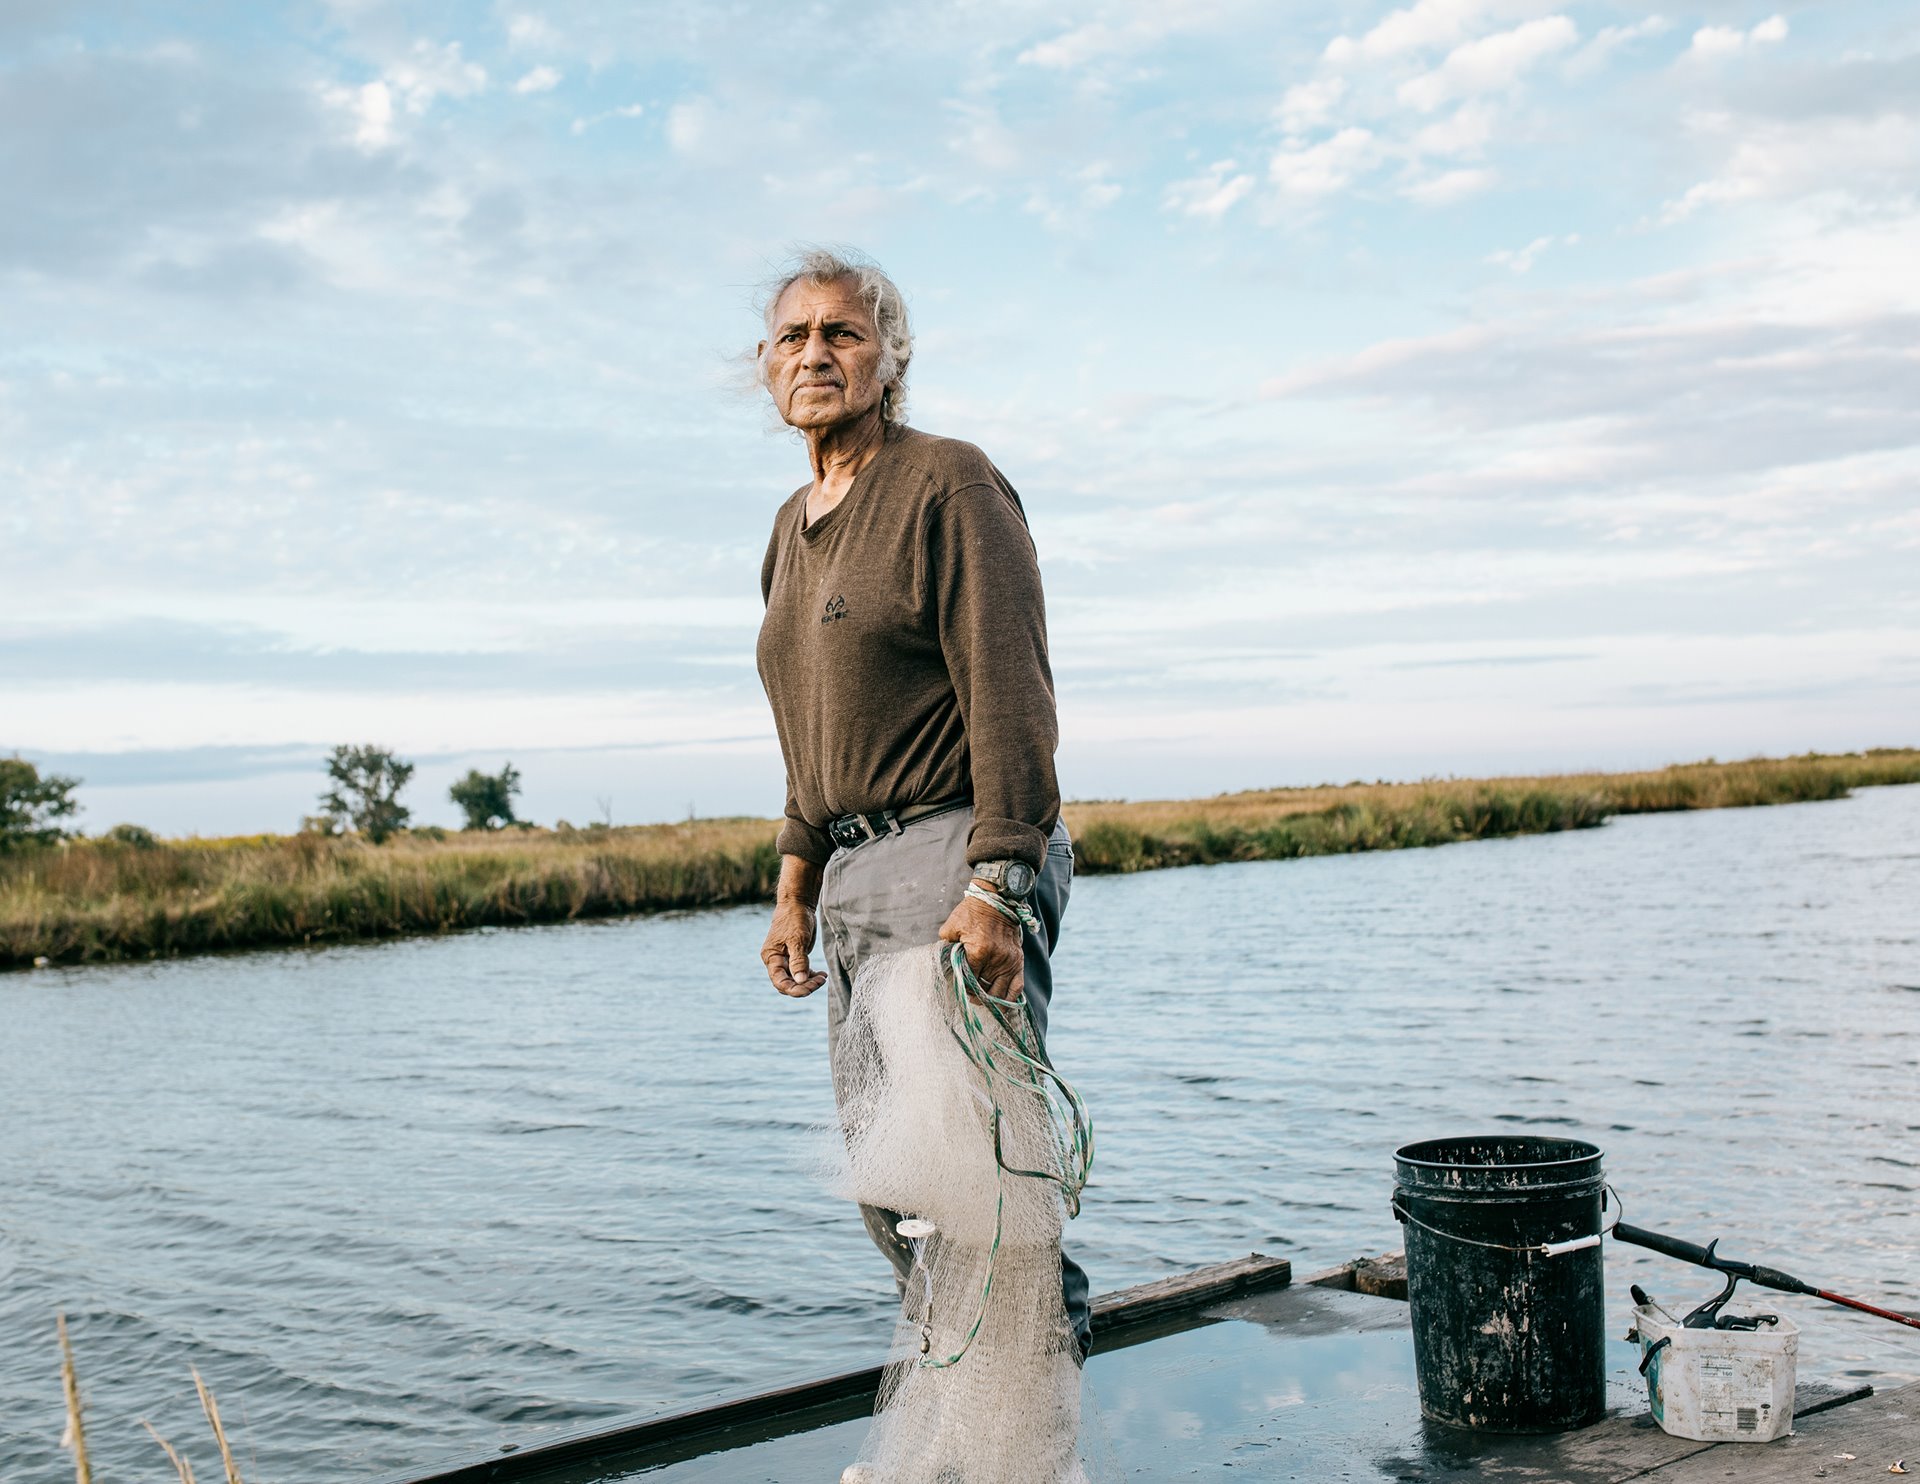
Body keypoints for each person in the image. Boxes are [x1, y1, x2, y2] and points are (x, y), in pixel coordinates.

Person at [751, 246, 1091, 1359]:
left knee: (982, 1184)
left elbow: (1011, 689)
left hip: (953, 856)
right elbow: (812, 736)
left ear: (891, 358)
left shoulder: (948, 481)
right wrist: (794, 883)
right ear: (764, 367)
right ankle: (964, 1409)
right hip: (851, 877)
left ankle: (1031, 1431)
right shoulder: (790, 525)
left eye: (842, 332)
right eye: (795, 335)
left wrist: (1001, 880)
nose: (817, 353)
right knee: (891, 1183)